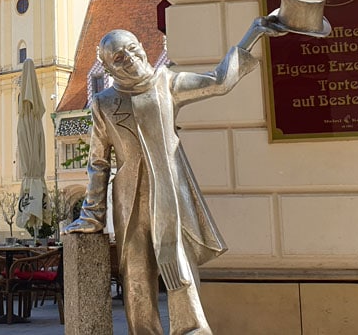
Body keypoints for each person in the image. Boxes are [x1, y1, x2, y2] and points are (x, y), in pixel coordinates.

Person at [65, 20, 284, 335]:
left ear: (141, 46)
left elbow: (219, 81)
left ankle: (192, 330)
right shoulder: (102, 103)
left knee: (178, 266)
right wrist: (92, 215)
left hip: (170, 194)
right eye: (118, 58)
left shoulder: (166, 82)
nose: (129, 58)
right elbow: (98, 163)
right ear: (110, 70)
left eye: (131, 48)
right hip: (129, 200)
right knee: (137, 277)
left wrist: (255, 32)